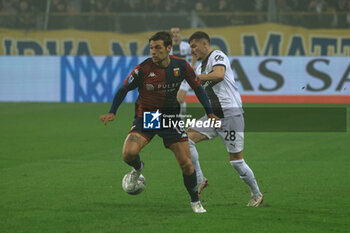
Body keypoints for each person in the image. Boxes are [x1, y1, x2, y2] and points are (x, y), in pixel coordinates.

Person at [100, 31, 219, 213]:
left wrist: (209, 112)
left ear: (168, 48)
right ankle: (138, 168)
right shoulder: (143, 69)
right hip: (148, 117)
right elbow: (123, 89)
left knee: (186, 164)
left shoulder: (181, 66)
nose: (153, 52)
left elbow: (198, 88)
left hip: (170, 118)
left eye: (157, 48)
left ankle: (195, 201)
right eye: (151, 48)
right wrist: (112, 112)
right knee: (128, 154)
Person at [187, 31, 263, 206]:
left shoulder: (217, 55)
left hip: (231, 116)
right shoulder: (199, 67)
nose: (192, 50)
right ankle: (200, 179)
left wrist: (194, 78)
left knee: (236, 162)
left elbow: (219, 75)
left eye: (194, 46)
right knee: (186, 139)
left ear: (204, 44)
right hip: (212, 116)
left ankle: (256, 194)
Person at [169, 27, 195, 118]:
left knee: (180, 98)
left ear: (180, 34)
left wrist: (193, 65)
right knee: (175, 100)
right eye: (173, 32)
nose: (175, 34)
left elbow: (194, 53)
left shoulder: (186, 46)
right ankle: (178, 119)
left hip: (184, 76)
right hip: (172, 76)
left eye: (177, 32)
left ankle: (180, 121)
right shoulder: (168, 48)